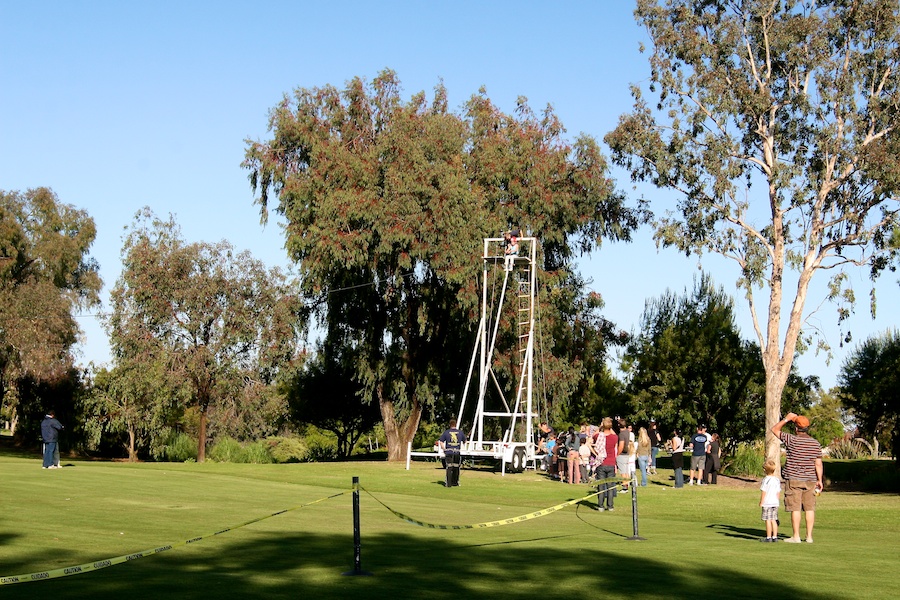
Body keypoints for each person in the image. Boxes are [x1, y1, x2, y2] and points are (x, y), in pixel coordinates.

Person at [772, 412, 823, 543]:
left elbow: (775, 429)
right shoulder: (815, 443)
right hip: (810, 479)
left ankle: (796, 536)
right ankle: (809, 537)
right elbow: (818, 464)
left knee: (795, 508)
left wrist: (786, 419)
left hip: (793, 478)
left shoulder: (791, 439)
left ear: (796, 428)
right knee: (809, 508)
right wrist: (820, 480)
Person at [595, 417, 619, 511]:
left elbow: (594, 435)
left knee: (601, 486)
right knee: (610, 486)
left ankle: (600, 505)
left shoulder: (599, 436)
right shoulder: (614, 437)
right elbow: (614, 434)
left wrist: (601, 426)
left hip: (601, 463)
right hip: (611, 463)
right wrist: (608, 426)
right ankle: (610, 506)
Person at [439, 419, 467, 487]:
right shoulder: (460, 432)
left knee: (449, 467)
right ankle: (455, 482)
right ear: (455, 424)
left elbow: (441, 442)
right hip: (457, 452)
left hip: (449, 451)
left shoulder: (446, 432)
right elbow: (465, 441)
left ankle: (448, 483)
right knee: (456, 467)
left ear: (450, 425)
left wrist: (444, 449)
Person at [759, 458, 782, 542]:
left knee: (768, 520)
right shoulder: (777, 480)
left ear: (765, 470)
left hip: (767, 503)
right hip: (775, 503)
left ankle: (768, 537)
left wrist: (761, 502)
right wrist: (777, 500)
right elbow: (778, 492)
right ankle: (775, 536)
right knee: (774, 519)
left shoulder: (766, 480)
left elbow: (764, 492)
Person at [616, 418, 631, 491]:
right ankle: (627, 484)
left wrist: (617, 454)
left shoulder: (621, 434)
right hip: (626, 454)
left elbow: (621, 445)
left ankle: (624, 487)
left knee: (622, 472)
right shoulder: (627, 432)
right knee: (626, 471)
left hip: (621, 454)